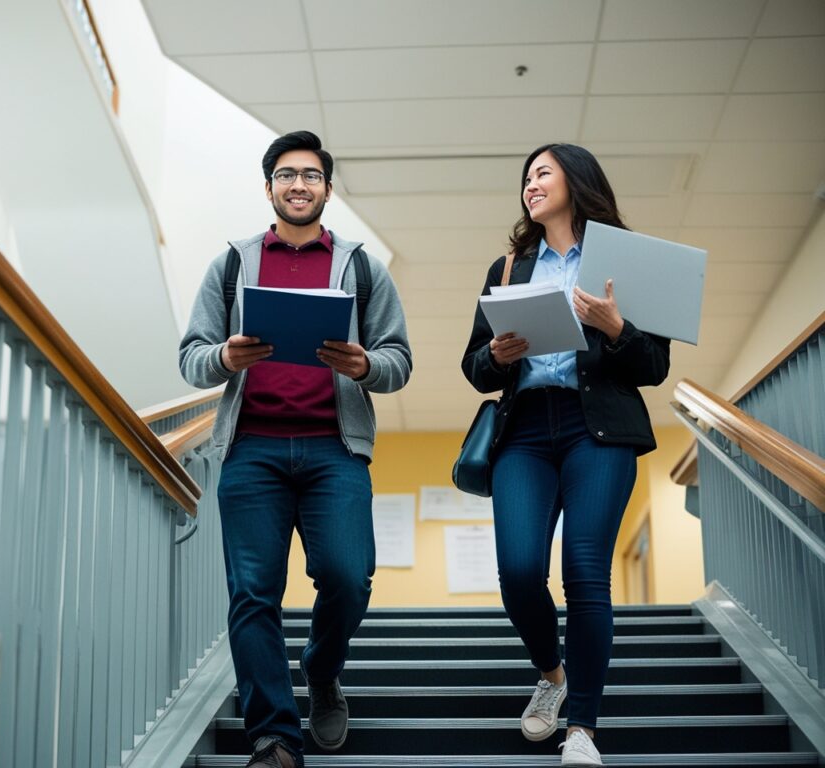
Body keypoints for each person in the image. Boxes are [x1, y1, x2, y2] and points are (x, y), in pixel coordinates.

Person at [179, 130, 412, 768]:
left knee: (347, 576)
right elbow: (191, 358)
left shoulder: (363, 266)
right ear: (269, 188)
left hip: (334, 450)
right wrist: (226, 355)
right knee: (253, 592)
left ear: (327, 189)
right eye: (287, 175)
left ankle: (322, 667)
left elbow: (399, 362)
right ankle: (275, 738)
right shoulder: (232, 263)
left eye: (311, 175)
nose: (299, 185)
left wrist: (365, 365)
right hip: (252, 450)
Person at [461, 144, 670, 766]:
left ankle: (582, 727)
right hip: (524, 431)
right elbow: (475, 367)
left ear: (577, 181)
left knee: (584, 571)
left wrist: (615, 328)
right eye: (526, 177)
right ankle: (551, 674)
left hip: (597, 429)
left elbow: (653, 365)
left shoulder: (625, 262)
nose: (531, 184)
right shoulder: (508, 267)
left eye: (543, 173)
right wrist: (496, 357)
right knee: (520, 570)